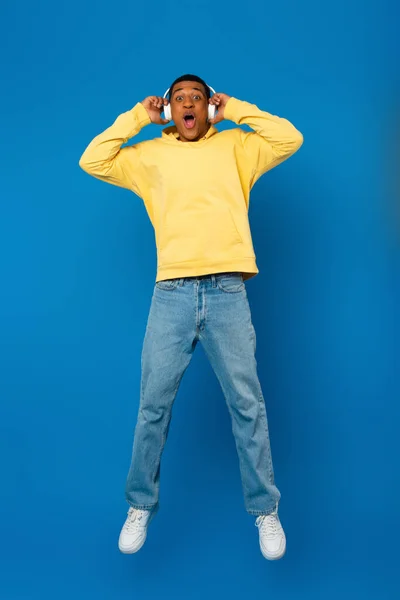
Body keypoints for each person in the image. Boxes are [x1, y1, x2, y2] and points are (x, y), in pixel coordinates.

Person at [79, 74, 303, 560]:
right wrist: (139, 116)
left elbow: (290, 138)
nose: (186, 105)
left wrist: (237, 107)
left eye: (195, 99)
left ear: (208, 108)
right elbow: (92, 158)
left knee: (248, 404)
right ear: (169, 110)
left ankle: (266, 509)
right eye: (178, 99)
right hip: (172, 294)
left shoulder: (238, 149)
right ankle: (139, 506)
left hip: (227, 291)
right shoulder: (149, 158)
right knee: (152, 406)